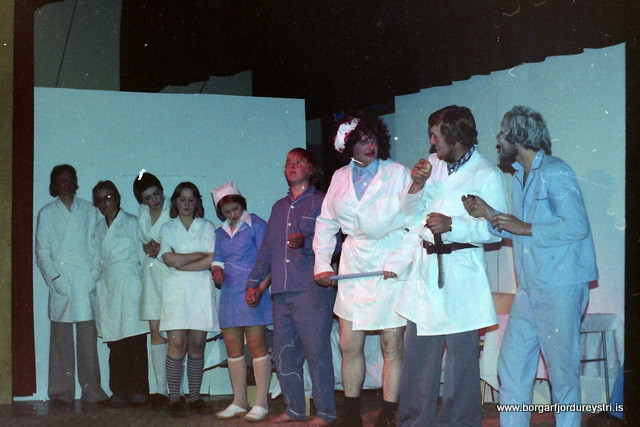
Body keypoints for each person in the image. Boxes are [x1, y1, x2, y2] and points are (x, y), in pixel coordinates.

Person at [463, 106, 597, 426]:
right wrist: (488, 213)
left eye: (502, 132)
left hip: (561, 286)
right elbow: (521, 230)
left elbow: (576, 226)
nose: (498, 139)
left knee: (562, 375)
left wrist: (523, 226)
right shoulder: (520, 177)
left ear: (517, 137)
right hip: (530, 288)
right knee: (511, 368)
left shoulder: (555, 170)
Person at [391, 105, 508, 426]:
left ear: (455, 135)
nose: (432, 143)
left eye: (435, 136)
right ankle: (414, 422)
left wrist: (453, 225)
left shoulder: (487, 174)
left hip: (462, 273)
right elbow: (411, 217)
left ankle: (459, 422)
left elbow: (496, 229)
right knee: (418, 359)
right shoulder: (432, 166)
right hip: (426, 272)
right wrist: (415, 187)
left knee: (461, 363)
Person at [314, 110, 411, 427]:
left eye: (373, 139)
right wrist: (322, 264)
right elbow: (326, 223)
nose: (370, 146)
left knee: (391, 345)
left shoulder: (397, 173)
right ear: (348, 145)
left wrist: (398, 263)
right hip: (353, 263)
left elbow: (417, 224)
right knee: (348, 344)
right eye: (362, 140)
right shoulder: (339, 177)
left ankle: (390, 412)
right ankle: (351, 412)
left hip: (389, 262)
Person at [247, 148, 337, 426]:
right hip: (281, 293)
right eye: (288, 162)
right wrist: (254, 284)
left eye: (298, 162)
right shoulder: (278, 207)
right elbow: (266, 250)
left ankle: (325, 412)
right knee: (284, 354)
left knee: (317, 353)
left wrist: (307, 244)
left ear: (310, 169)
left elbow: (338, 244)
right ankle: (295, 409)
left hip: (312, 291)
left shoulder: (323, 202)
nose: (292, 166)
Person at [35, 164, 109, 406]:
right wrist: (55, 279)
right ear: (54, 184)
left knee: (88, 343)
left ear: (75, 182)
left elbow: (98, 246)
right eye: (61, 180)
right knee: (61, 344)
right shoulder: (47, 213)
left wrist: (93, 275)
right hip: (61, 282)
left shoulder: (89, 210)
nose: (66, 183)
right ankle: (60, 393)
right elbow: (42, 252)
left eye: (69, 179)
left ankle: (92, 391)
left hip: (85, 281)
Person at [210, 180, 273, 422]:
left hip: (253, 293)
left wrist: (259, 288)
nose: (233, 214)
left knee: (257, 346)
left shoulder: (257, 225)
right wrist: (217, 271)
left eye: (235, 209)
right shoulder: (220, 233)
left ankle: (261, 403)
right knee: (233, 349)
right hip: (229, 296)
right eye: (227, 212)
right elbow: (217, 261)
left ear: (242, 204)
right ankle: (238, 401)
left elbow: (268, 260)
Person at [158, 182, 217, 417]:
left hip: (201, 290)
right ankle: (174, 398)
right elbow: (168, 259)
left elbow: (212, 259)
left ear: (197, 203)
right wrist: (198, 255)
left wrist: (183, 263)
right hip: (175, 291)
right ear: (175, 201)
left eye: (191, 199)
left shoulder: (207, 226)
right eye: (182, 199)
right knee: (176, 344)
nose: (186, 204)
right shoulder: (168, 228)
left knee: (197, 344)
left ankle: (194, 397)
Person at [93, 180, 149, 406]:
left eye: (108, 197)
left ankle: (140, 392)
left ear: (117, 198)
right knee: (115, 343)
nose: (104, 203)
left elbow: (143, 258)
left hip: (130, 285)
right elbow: (96, 260)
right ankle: (119, 393)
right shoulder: (98, 228)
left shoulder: (132, 223)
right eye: (99, 199)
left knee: (135, 340)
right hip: (108, 287)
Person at [132, 171, 171, 408]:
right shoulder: (142, 213)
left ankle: (177, 391)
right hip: (150, 277)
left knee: (175, 335)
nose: (154, 200)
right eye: (147, 197)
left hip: (171, 277)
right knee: (156, 334)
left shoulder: (173, 209)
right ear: (141, 200)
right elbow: (140, 244)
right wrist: (148, 252)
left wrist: (162, 249)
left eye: (156, 194)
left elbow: (182, 241)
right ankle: (161, 390)